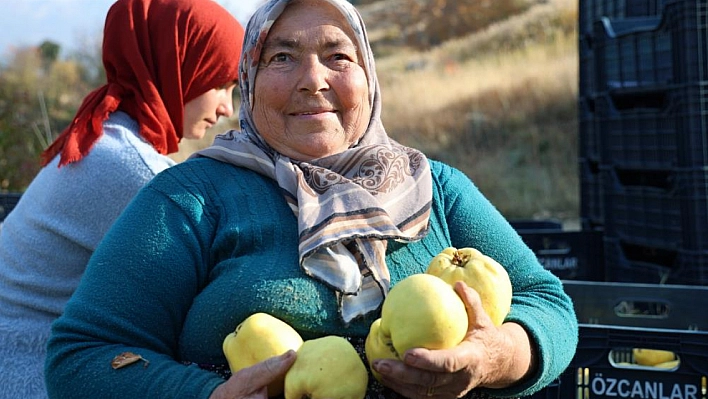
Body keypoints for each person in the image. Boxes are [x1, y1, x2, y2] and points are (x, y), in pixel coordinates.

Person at [44, 0, 578, 398]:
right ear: (249, 80)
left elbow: (548, 304)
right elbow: (82, 356)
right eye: (282, 57)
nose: (313, 81)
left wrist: (495, 356)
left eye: (337, 55)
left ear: (368, 76)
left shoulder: (438, 188)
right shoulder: (190, 199)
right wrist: (206, 394)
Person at [0, 0, 244, 397]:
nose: (224, 108)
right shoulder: (133, 169)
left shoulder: (108, 136)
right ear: (177, 64)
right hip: (29, 370)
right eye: (219, 83)